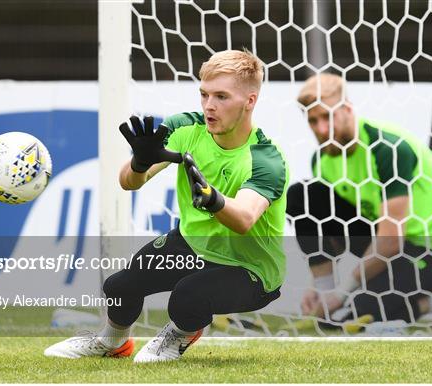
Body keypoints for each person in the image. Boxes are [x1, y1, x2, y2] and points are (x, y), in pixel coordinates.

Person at [44, 50, 288, 361]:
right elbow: (128, 182)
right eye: (204, 94)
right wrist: (139, 163)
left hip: (250, 270)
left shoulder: (266, 158)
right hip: (191, 245)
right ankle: (112, 342)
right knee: (120, 286)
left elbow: (244, 219)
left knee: (188, 295)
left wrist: (213, 200)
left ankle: (180, 334)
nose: (209, 105)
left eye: (222, 97)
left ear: (250, 101)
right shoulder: (184, 128)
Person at [286, 73, 432, 327]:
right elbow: (328, 230)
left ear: (347, 109)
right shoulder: (323, 160)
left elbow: (392, 239)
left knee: (366, 308)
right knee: (301, 195)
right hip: (384, 242)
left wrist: (342, 294)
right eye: (313, 121)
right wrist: (320, 290)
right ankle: (324, 302)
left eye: (327, 117)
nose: (321, 129)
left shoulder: (389, 150)